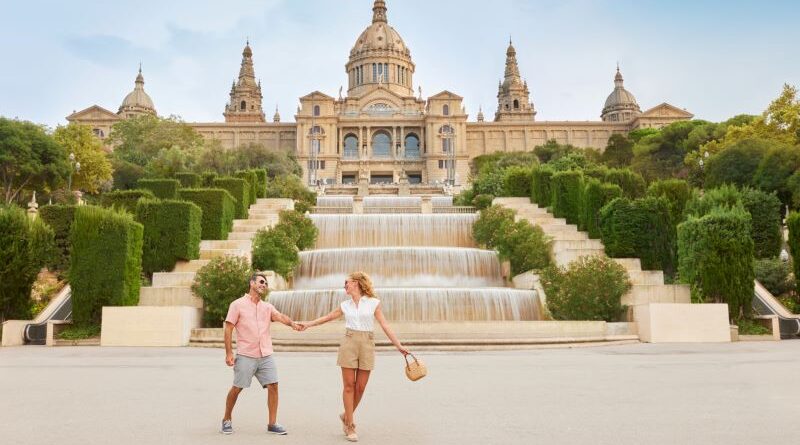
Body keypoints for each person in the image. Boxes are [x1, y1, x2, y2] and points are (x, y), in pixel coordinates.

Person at [299, 272, 409, 442]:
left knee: (361, 387)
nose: (345, 285)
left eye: (347, 282)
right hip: (349, 342)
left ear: (357, 283)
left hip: (367, 343)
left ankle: (345, 415)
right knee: (349, 386)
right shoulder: (345, 305)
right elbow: (327, 318)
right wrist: (308, 324)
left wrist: (399, 346)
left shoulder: (374, 303)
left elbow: (385, 325)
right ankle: (350, 425)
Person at [220, 272, 303, 435]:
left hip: (266, 354)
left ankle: (272, 423)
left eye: (266, 283)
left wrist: (292, 323)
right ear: (252, 283)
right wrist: (229, 353)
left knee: (274, 386)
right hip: (246, 354)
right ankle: (226, 419)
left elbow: (279, 316)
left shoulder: (267, 307)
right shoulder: (237, 304)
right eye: (261, 282)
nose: (264, 285)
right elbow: (228, 329)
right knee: (237, 388)